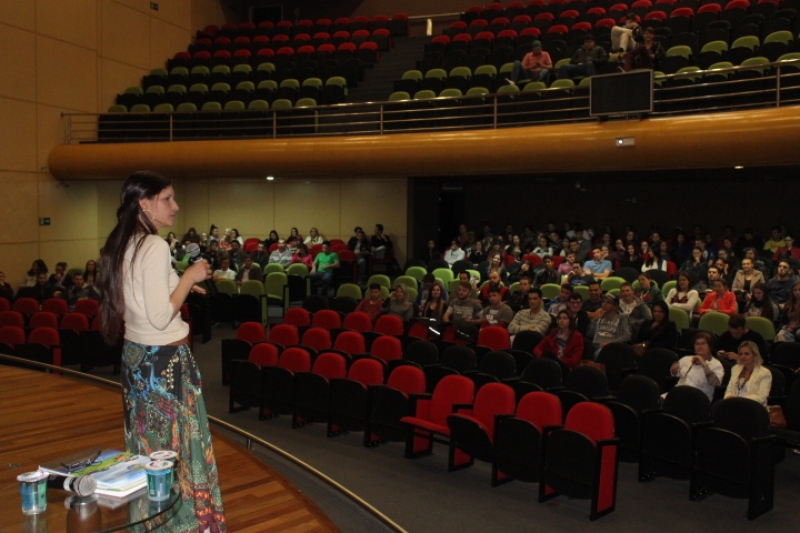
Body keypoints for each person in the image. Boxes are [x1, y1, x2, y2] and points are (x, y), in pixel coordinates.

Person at [97, 171, 226, 532]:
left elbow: (143, 291)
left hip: (138, 359)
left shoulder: (125, 242)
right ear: (144, 203)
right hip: (163, 364)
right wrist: (187, 279)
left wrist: (181, 282)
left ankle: (149, 523)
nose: (176, 206)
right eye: (167, 198)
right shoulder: (154, 245)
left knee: (147, 448)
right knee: (172, 451)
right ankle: (177, 525)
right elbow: (158, 316)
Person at [670, 331, 724, 402]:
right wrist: (674, 370)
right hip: (679, 393)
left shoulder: (716, 364)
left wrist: (704, 364)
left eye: (703, 343)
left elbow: (715, 383)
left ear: (710, 346)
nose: (699, 346)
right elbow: (675, 374)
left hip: (699, 398)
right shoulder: (686, 359)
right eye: (697, 344)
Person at [724, 341, 772, 406]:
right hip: (735, 405)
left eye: (746, 354)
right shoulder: (735, 369)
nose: (742, 357)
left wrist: (739, 400)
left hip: (754, 407)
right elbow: (729, 390)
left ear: (755, 355)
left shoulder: (765, 373)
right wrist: (729, 397)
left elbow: (762, 397)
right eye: (740, 354)